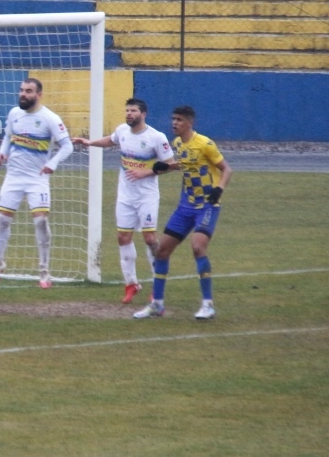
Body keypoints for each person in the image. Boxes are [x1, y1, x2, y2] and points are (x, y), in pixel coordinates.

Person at [134, 105, 233, 320]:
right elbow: (186, 164)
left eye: (179, 120)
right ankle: (157, 305)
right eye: (173, 119)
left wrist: (219, 189)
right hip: (185, 207)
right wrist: (165, 168)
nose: (174, 123)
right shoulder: (178, 144)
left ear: (190, 123)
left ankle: (208, 305)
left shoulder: (205, 144)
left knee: (198, 247)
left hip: (206, 205)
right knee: (161, 251)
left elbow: (227, 169)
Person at [71, 98, 174, 303]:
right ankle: (131, 284)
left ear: (143, 114)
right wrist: (90, 143)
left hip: (147, 196)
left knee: (150, 239)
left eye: (133, 111)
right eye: (127, 110)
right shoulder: (122, 131)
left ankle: (158, 284)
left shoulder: (156, 137)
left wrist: (146, 172)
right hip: (125, 196)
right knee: (123, 238)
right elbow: (111, 139)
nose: (128, 114)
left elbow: (170, 163)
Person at [0, 77, 74, 289]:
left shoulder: (50, 118)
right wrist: (2, 153)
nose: (23, 94)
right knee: (2, 220)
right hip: (14, 177)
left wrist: (52, 163)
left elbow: (67, 146)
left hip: (37, 178)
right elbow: (8, 137)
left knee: (40, 222)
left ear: (39, 95)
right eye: (21, 90)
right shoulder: (14, 114)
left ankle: (44, 271)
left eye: (28, 91)